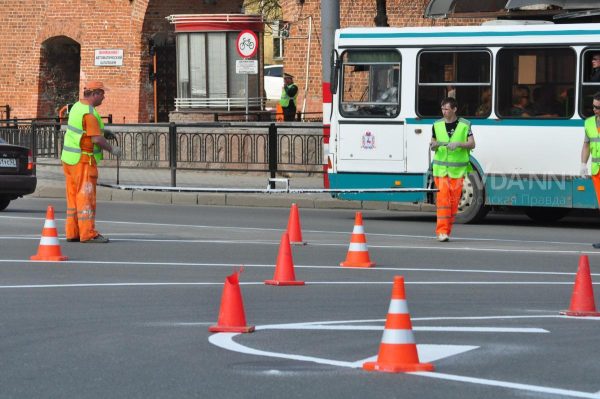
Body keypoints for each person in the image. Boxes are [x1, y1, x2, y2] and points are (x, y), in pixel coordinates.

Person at [61, 81, 121, 243]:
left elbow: (84, 130)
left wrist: (103, 131)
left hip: (69, 160)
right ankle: (88, 234)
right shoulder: (90, 113)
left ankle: (73, 232)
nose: (104, 97)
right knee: (85, 197)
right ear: (95, 94)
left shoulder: (76, 107)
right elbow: (95, 139)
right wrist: (112, 149)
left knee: (73, 197)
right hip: (83, 161)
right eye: (102, 93)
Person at [430, 97, 476, 242]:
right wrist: (434, 145)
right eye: (442, 109)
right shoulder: (436, 125)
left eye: (447, 109)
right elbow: (432, 144)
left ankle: (446, 231)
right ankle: (441, 231)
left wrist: (458, 144)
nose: (444, 112)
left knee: (454, 203)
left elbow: (472, 144)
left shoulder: (464, 125)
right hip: (441, 169)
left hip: (457, 171)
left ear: (454, 109)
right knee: (443, 200)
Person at [580, 92, 600, 248]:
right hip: (597, 171)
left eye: (598, 107)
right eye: (593, 107)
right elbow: (586, 145)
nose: (595, 110)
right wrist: (582, 165)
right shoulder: (589, 123)